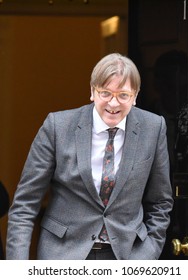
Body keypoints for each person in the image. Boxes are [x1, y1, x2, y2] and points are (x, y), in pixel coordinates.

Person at [6, 53, 173, 260]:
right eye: (105, 93)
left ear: (135, 96)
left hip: (128, 257)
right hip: (63, 256)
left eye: (123, 95)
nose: (113, 103)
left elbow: (160, 202)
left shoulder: (154, 128)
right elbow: (25, 205)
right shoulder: (58, 126)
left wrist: (148, 254)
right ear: (92, 91)